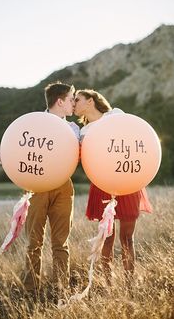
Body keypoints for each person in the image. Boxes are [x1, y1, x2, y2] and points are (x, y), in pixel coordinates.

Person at [74, 89, 152, 285]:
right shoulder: (83, 131)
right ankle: (109, 284)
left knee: (127, 238)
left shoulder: (116, 115)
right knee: (107, 238)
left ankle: (129, 284)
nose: (73, 103)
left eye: (77, 99)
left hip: (128, 182)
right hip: (101, 185)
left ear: (90, 101)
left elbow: (135, 139)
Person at [22, 82, 80, 301]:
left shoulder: (74, 129)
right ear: (60, 101)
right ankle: (30, 291)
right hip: (37, 186)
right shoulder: (34, 123)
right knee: (33, 242)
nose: (74, 102)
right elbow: (19, 148)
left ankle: (61, 290)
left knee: (61, 243)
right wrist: (5, 156)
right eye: (72, 98)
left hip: (64, 187)